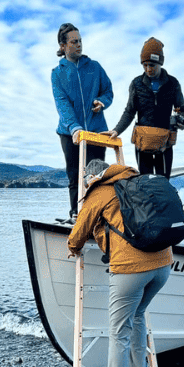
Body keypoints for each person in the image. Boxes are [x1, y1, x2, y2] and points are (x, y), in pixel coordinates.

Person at [68, 158, 172, 367]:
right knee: (137, 316)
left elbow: (79, 231)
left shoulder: (100, 191)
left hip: (130, 269)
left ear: (90, 177)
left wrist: (73, 247)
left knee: (118, 333)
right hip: (164, 264)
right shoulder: (136, 181)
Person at [52, 23, 113, 222]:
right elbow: (62, 104)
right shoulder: (57, 73)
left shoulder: (94, 67)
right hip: (69, 133)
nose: (79, 45)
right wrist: (75, 128)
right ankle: (76, 215)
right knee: (75, 176)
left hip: (96, 131)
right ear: (63, 46)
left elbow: (108, 91)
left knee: (97, 175)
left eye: (80, 41)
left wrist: (102, 102)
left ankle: (99, 216)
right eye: (74, 42)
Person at [107, 37, 184, 178]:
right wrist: (116, 130)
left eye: (152, 65)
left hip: (165, 144)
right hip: (143, 143)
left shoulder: (173, 83)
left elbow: (182, 110)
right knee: (145, 182)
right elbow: (130, 111)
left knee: (163, 182)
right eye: (145, 65)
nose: (148, 69)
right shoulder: (136, 84)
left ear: (160, 63)